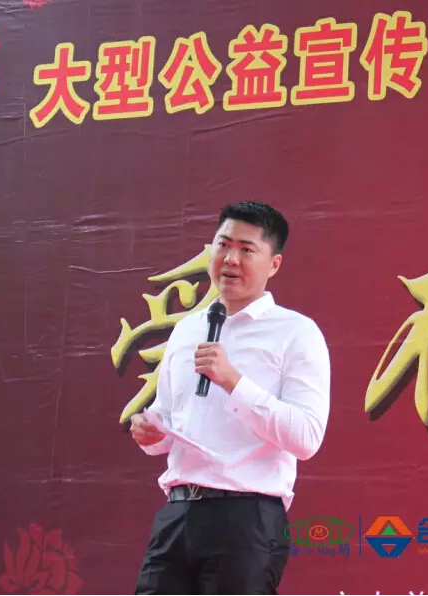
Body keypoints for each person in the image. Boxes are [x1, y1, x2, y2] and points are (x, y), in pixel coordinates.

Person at [130, 201, 331, 594]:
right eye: (223, 245)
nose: (231, 259)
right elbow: (168, 417)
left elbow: (306, 437)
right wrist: (150, 430)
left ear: (274, 264)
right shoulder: (187, 330)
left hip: (246, 518)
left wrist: (234, 382)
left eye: (247, 249)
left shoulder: (296, 333)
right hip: (177, 513)